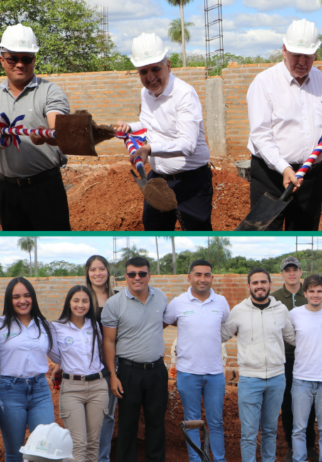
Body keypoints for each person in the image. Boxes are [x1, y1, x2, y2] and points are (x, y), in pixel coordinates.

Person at [246, 19, 322, 231]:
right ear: (284, 51)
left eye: (308, 56)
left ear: (316, 55)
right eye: (296, 55)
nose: (302, 61)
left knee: (304, 230)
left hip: (310, 177)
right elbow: (260, 135)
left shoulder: (320, 80)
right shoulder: (264, 83)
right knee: (265, 233)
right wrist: (283, 167)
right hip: (271, 175)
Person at [0, 24, 72, 231]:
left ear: (34, 60)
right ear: (2, 60)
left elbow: (60, 133)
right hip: (8, 190)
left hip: (45, 188)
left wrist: (47, 136)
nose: (20, 64)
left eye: (26, 58)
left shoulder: (50, 92)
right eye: (13, 58)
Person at [114, 33, 213, 231]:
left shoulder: (184, 94)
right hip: (158, 179)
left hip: (191, 182)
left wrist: (148, 149)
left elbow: (187, 144)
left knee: (196, 233)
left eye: (155, 69)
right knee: (154, 230)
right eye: (143, 72)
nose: (150, 78)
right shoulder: (146, 93)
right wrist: (130, 127)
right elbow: (148, 123)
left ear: (168, 66)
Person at [222, 268, 296, 462]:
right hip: (249, 379)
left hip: (277, 378)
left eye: (263, 282)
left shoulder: (281, 310)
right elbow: (222, 335)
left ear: (270, 284)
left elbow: (292, 337)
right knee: (248, 433)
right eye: (255, 283)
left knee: (270, 430)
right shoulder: (238, 311)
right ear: (249, 286)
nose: (259, 286)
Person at [101, 257, 169, 462]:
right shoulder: (114, 304)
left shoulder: (161, 297)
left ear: (149, 275)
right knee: (128, 425)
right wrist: (113, 375)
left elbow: (160, 323)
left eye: (142, 273)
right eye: (132, 274)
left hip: (157, 371)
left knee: (156, 423)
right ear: (125, 277)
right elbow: (109, 342)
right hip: (129, 372)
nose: (137, 278)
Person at [163, 259, 230, 462]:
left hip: (215, 374)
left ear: (212, 278)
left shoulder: (221, 302)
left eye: (207, 275)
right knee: (191, 421)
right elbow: (163, 324)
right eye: (198, 275)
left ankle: (218, 459)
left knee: (216, 421)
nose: (203, 279)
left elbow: (225, 324)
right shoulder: (178, 303)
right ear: (189, 277)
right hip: (187, 373)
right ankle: (196, 459)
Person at [0, 277, 56, 462]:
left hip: (40, 391)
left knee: (44, 451)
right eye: (16, 296)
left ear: (33, 298)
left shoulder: (44, 326)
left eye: (27, 295)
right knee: (15, 453)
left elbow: (60, 354)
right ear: (9, 300)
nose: (22, 301)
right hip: (10, 392)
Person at [50, 285, 109, 462]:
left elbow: (101, 353)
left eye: (85, 301)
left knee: (93, 443)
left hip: (98, 387)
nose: (80, 305)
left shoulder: (96, 326)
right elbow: (54, 354)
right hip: (72, 388)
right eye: (76, 300)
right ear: (68, 303)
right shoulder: (57, 328)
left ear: (91, 304)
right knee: (77, 443)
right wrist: (59, 366)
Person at [289, 274, 322, 462]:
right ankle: (299, 459)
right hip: (302, 379)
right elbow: (289, 336)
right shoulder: (294, 314)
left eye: (319, 291)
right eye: (312, 291)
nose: (316, 295)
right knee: (299, 428)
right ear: (305, 293)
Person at [270, 257, 316, 462]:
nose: (291, 273)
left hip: (309, 358)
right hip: (285, 359)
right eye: (287, 270)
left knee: (312, 403)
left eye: (295, 269)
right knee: (288, 403)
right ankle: (291, 444)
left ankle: (310, 444)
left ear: (300, 272)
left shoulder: (310, 295)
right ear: (282, 274)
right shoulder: (274, 298)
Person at [83, 255, 118, 462]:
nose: (98, 273)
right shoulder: (82, 298)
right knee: (86, 417)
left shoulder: (117, 298)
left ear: (108, 271)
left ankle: (102, 459)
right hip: (86, 364)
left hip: (112, 364)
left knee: (107, 416)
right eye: (93, 269)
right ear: (87, 273)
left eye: (102, 269)